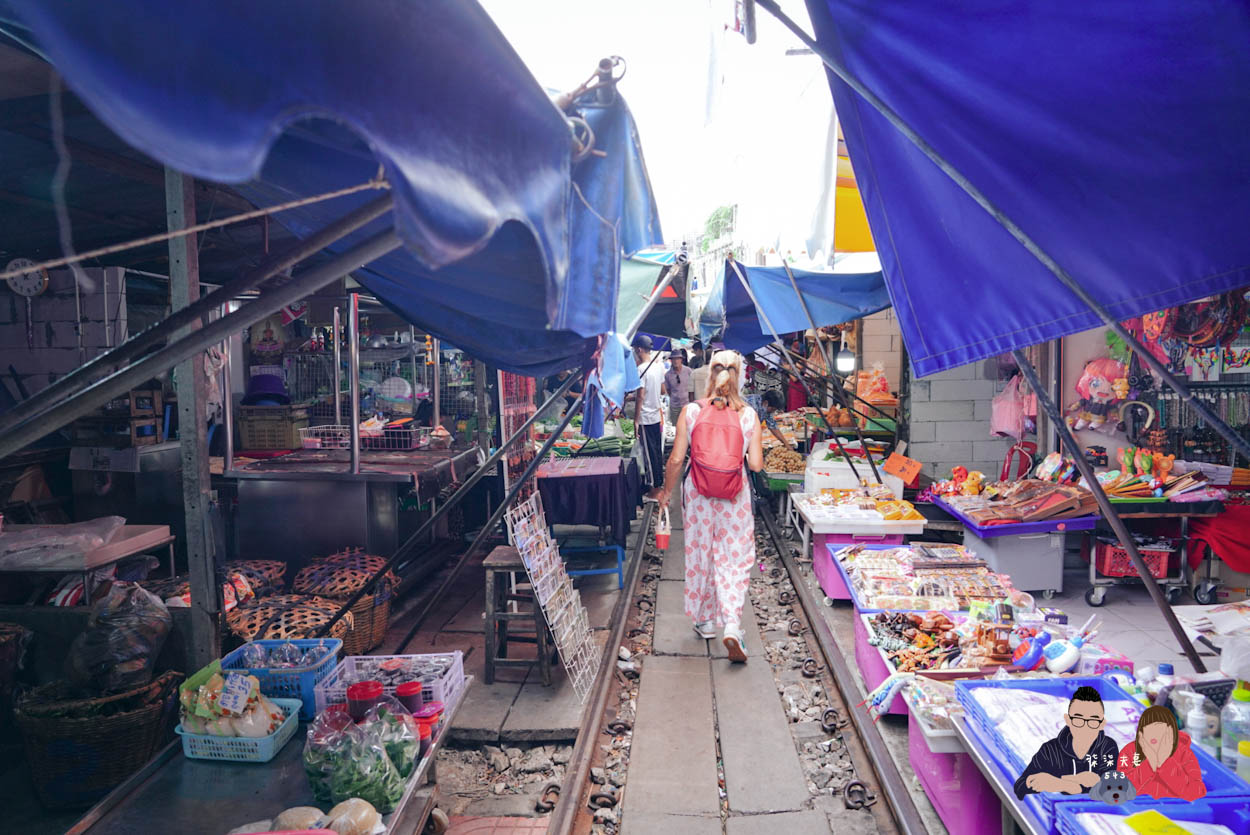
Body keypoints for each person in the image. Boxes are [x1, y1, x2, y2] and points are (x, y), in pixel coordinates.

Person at [655, 350, 764, 663]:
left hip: (699, 493)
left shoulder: (690, 411)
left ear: (709, 375)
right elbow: (755, 465)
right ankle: (731, 623)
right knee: (734, 558)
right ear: (740, 375)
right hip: (735, 496)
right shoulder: (749, 416)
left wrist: (666, 492)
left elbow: (676, 459)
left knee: (701, 553)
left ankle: (704, 622)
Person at [1013, 686, 1121, 798]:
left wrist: (1064, 783)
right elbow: (1020, 787)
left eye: (1093, 721)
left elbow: (1112, 789)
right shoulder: (1051, 749)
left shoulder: (1107, 747)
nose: (1085, 727)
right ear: (1068, 720)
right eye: (1078, 720)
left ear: (1102, 724)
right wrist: (1069, 784)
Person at [1118, 705, 1206, 800]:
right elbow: (1119, 789)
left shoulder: (1183, 753)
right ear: (1141, 735)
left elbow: (1195, 793)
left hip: (1175, 809)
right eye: (1150, 732)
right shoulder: (1130, 752)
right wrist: (1150, 764)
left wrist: (1165, 762)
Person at [631, 334, 667, 492]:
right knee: (656, 451)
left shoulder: (641, 369)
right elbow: (663, 390)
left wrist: (636, 420)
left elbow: (641, 396)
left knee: (648, 454)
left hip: (645, 417)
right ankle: (659, 483)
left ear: (639, 349)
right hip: (656, 415)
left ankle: (654, 489)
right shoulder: (658, 367)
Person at [664, 350, 694, 426]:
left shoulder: (688, 371)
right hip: (675, 407)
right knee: (676, 427)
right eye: (673, 359)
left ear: (681, 360)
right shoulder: (668, 375)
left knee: (687, 426)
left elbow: (692, 387)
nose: (676, 361)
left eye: (677, 359)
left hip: (687, 404)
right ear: (671, 361)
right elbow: (668, 390)